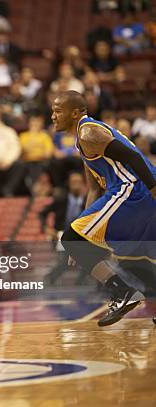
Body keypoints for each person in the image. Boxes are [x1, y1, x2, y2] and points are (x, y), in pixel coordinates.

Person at [53, 91, 156, 327]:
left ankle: (123, 294)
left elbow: (133, 157)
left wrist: (153, 188)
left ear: (76, 113)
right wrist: (81, 241)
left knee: (71, 238)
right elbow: (93, 190)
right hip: (135, 193)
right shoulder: (84, 141)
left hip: (133, 191)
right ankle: (125, 292)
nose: (53, 116)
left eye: (58, 110)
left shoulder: (89, 131)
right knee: (133, 260)